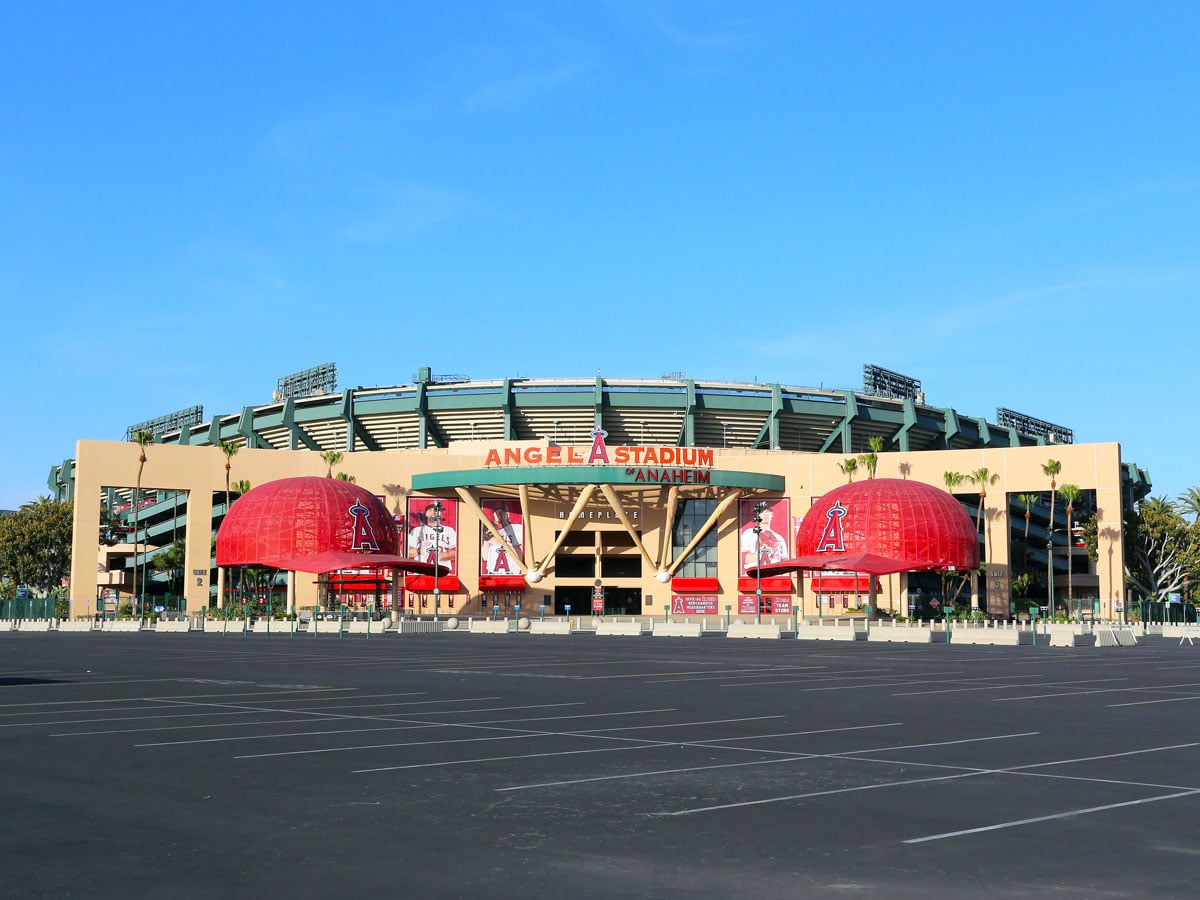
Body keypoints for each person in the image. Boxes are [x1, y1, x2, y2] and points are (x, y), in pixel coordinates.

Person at [407, 504, 457, 568]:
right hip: (420, 571)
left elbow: (456, 553)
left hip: (442, 571)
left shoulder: (449, 530)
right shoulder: (416, 530)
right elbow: (406, 552)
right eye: (430, 510)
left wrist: (439, 556)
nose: (433, 512)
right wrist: (419, 550)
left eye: (436, 510)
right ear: (426, 514)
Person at [740, 504, 788, 571]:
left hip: (775, 575)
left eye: (768, 512)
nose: (765, 515)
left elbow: (785, 560)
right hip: (754, 574)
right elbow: (743, 558)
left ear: (772, 515)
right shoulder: (749, 533)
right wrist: (766, 553)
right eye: (762, 512)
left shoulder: (779, 538)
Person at [482, 506, 524, 575]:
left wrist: (499, 542)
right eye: (496, 515)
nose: (499, 517)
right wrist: (487, 540)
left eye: (501, 513)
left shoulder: (517, 528)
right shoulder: (492, 532)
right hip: (493, 574)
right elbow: (485, 557)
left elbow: (522, 553)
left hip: (512, 574)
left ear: (508, 514)